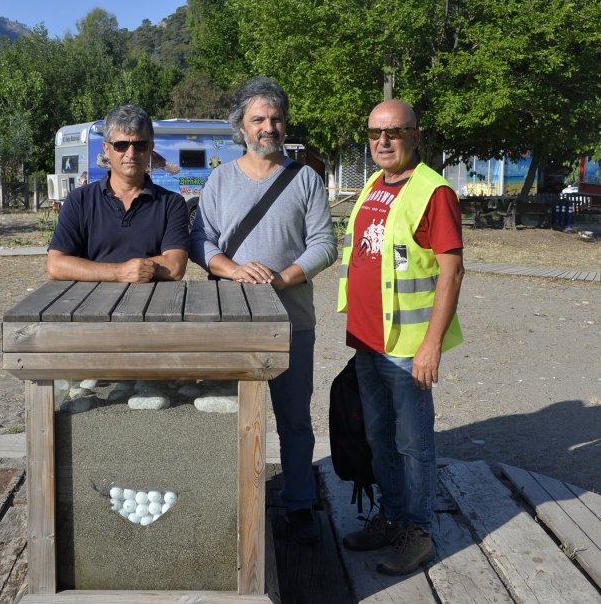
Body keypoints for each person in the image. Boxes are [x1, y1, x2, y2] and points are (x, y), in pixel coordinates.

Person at [190, 77, 337, 544]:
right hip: (230, 322)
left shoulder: (307, 178)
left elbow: (325, 246)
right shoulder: (220, 179)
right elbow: (199, 240)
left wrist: (280, 278)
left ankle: (298, 505)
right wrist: (232, 270)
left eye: (275, 118)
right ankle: (232, 502)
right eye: (258, 119)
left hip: (292, 320)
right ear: (241, 126)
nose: (268, 127)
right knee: (229, 417)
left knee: (294, 420)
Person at [337, 100, 464, 574]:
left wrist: (430, 346)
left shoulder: (433, 191)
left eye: (394, 132)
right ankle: (390, 516)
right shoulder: (374, 184)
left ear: (416, 134)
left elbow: (452, 274)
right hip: (369, 340)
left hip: (408, 347)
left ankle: (417, 529)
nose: (383, 141)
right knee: (379, 437)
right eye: (374, 133)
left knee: (414, 442)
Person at [47, 104, 189, 282]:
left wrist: (101, 270)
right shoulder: (79, 200)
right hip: (89, 305)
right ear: (106, 149)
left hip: (153, 306)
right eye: (121, 145)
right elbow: (55, 265)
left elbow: (175, 267)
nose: (131, 153)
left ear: (151, 148)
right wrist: (120, 272)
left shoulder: (171, 203)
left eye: (140, 145)